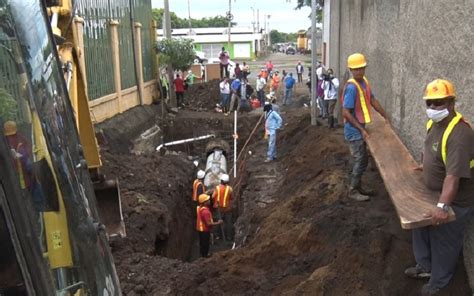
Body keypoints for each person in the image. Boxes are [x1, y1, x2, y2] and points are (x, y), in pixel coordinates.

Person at [404, 79, 474, 296]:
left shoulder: (460, 134)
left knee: (444, 239)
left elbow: (453, 177)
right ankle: (425, 267)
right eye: (430, 103)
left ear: (451, 103)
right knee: (420, 227)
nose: (433, 108)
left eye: (439, 102)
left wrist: (443, 207)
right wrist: (424, 166)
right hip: (433, 191)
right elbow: (431, 149)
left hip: (455, 200)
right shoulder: (434, 124)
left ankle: (439, 283)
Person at [341, 53, 389, 201]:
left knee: (363, 159)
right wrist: (361, 130)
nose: (359, 72)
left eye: (361, 68)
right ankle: (353, 190)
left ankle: (358, 186)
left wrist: (385, 115)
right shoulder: (351, 88)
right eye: (356, 69)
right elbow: (346, 113)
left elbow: (372, 100)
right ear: (351, 70)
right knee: (360, 159)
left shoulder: (364, 82)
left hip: (360, 127)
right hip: (353, 130)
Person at [212, 174, 234, 241]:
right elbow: (232, 197)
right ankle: (229, 237)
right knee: (228, 223)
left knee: (218, 222)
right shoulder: (230, 189)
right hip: (227, 208)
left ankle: (217, 236)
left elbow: (213, 196)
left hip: (218, 208)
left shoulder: (217, 188)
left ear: (221, 180)